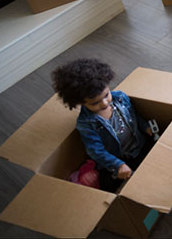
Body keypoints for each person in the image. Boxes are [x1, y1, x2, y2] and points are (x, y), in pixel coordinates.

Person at [52, 58, 153, 192]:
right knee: (108, 185)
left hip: (139, 144)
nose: (105, 103)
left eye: (106, 95)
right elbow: (96, 150)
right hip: (118, 158)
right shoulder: (85, 124)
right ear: (80, 103)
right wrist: (117, 165)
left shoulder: (121, 98)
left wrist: (145, 126)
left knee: (155, 156)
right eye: (95, 103)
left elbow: (134, 116)